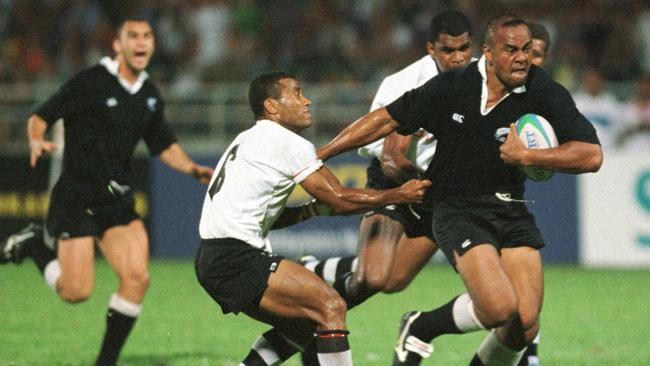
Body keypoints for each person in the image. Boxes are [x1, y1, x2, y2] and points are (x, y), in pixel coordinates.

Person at [315, 14, 602, 366]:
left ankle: (419, 324)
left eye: (526, 49)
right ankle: (422, 327)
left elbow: (592, 154)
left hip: (510, 208)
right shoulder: (453, 86)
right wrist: (321, 154)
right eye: (511, 49)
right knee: (497, 307)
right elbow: (386, 119)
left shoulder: (541, 89)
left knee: (523, 326)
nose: (522, 57)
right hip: (458, 210)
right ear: (488, 53)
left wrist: (529, 155)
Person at [0, 17, 214, 366]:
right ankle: (33, 245)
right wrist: (36, 138)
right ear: (118, 45)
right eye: (133, 36)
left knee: (137, 278)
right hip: (77, 198)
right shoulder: (91, 82)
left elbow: (163, 144)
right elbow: (42, 115)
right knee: (76, 291)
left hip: (116, 200)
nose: (141, 42)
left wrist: (191, 168)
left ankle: (105, 362)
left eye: (147, 36)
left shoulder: (148, 94)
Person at [194, 71, 431, 366]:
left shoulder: (247, 139)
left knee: (304, 325)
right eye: (296, 94)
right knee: (331, 306)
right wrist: (398, 195)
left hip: (214, 258)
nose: (306, 101)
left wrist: (310, 209)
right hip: (236, 258)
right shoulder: (286, 142)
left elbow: (268, 218)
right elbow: (341, 200)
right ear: (272, 106)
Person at [573, 67, 622, 150]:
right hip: (583, 149)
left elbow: (619, 128)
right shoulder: (576, 102)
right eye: (590, 81)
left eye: (596, 81)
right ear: (585, 82)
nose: (593, 84)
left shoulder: (611, 103)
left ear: (601, 82)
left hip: (608, 148)